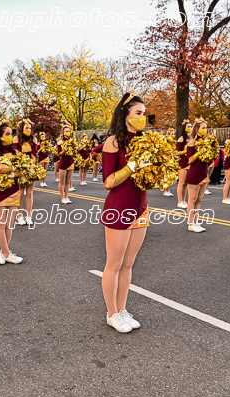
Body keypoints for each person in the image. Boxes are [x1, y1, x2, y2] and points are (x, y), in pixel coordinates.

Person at [101, 92, 151, 333]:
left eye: (144, 113)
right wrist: (131, 167)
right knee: (115, 263)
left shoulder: (145, 141)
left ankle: (121, 309)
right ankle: (111, 313)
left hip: (141, 206)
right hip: (119, 207)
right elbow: (108, 182)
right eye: (138, 113)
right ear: (126, 115)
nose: (143, 117)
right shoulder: (113, 142)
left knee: (129, 264)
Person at [0, 120, 23, 264]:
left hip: (14, 190)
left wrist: (10, 170)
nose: (10, 136)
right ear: (0, 136)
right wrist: (13, 169)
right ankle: (8, 254)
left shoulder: (15, 152)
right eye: (7, 134)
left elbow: (22, 169)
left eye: (11, 134)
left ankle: (3, 254)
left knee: (10, 224)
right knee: (1, 224)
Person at [185, 118, 211, 233]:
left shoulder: (207, 142)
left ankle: (196, 221)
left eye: (206, 128)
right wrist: (200, 152)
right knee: (192, 199)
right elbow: (189, 159)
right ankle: (191, 223)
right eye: (203, 128)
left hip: (204, 172)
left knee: (199, 200)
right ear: (197, 129)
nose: (205, 130)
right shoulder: (192, 142)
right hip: (195, 173)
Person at [13, 119, 38, 225]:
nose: (28, 129)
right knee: (20, 193)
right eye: (26, 127)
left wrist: (30, 165)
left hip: (30, 166)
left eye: (30, 128)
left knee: (29, 193)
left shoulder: (34, 139)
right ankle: (20, 216)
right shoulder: (16, 138)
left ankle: (29, 216)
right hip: (20, 166)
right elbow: (17, 153)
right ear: (21, 128)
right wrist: (22, 166)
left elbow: (34, 155)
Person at [57, 123, 76, 204]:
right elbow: (59, 154)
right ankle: (62, 197)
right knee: (61, 181)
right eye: (66, 131)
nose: (68, 132)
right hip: (63, 162)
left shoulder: (72, 141)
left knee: (68, 182)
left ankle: (67, 196)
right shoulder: (60, 141)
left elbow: (75, 151)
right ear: (63, 132)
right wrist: (64, 151)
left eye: (69, 131)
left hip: (70, 161)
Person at [176, 121, 191, 208]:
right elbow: (177, 152)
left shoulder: (190, 138)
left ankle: (184, 200)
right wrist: (185, 151)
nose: (190, 128)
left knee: (186, 183)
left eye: (191, 126)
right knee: (181, 183)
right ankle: (179, 201)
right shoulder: (181, 138)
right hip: (182, 163)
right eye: (188, 126)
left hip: (189, 162)